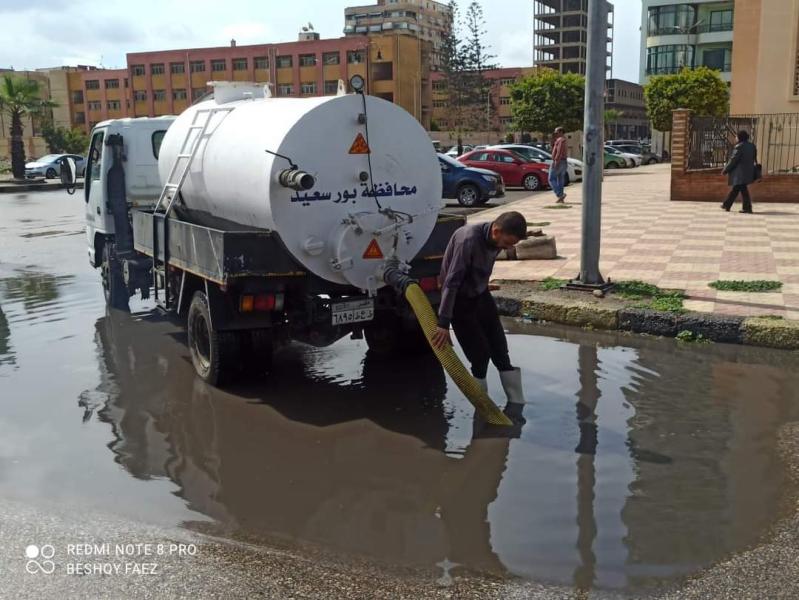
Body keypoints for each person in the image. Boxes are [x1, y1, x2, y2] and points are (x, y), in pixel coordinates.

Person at [432, 212, 527, 405]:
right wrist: (443, 322)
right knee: (480, 356)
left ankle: (517, 405)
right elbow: (451, 283)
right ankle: (483, 409)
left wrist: (482, 284)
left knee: (500, 350)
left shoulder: (496, 238)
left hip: (480, 293)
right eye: (507, 244)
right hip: (459, 299)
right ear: (496, 231)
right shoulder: (468, 240)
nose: (507, 249)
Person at [721, 130, 758, 214]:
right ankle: (727, 204)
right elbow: (754, 158)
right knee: (737, 189)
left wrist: (725, 170)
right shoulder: (752, 146)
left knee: (742, 190)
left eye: (736, 136)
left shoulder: (739, 147)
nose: (735, 138)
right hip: (748, 171)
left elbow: (733, 160)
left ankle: (747, 208)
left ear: (740, 137)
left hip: (740, 173)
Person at [549, 127, 568, 203]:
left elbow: (559, 151)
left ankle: (560, 194)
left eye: (556, 132)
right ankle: (561, 199)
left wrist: (556, 161)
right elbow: (553, 148)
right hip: (563, 161)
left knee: (551, 179)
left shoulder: (560, 140)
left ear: (561, 132)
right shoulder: (562, 140)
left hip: (559, 161)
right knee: (560, 180)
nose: (555, 133)